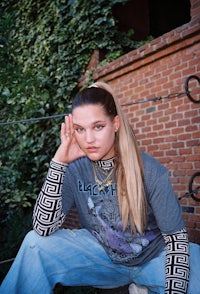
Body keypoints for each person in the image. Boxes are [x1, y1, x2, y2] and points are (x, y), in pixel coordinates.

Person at [1, 82, 200, 294]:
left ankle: (142, 286)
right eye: (80, 129)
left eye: (98, 127)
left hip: (155, 257)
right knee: (35, 243)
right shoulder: (75, 168)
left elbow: (176, 240)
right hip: (105, 257)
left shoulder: (150, 170)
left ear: (115, 124)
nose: (88, 139)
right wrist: (59, 161)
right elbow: (42, 227)